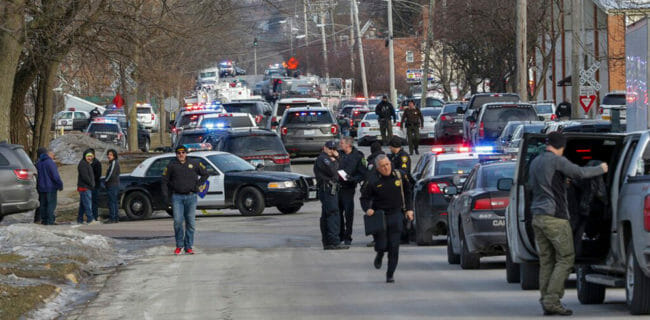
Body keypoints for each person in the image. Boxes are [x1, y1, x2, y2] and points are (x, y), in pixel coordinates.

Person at [528, 132, 608, 316]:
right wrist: (601, 169)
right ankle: (552, 300)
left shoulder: (535, 162)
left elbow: (535, 186)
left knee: (547, 260)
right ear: (560, 146)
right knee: (565, 258)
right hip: (555, 217)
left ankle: (546, 299)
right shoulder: (557, 161)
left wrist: (562, 183)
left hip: (537, 216)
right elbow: (579, 172)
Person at [360, 154, 414, 283]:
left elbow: (408, 193)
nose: (386, 168)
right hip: (380, 216)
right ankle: (380, 253)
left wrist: (409, 209)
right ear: (378, 168)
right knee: (382, 245)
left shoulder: (399, 176)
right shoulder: (372, 180)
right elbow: (364, 198)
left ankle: (390, 274)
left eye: (388, 164)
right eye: (383, 166)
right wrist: (368, 209)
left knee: (394, 247)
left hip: (396, 214)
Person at [162, 145, 209, 255]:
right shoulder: (171, 165)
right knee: (178, 222)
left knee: (191, 223)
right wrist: (165, 195)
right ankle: (179, 245)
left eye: (183, 152)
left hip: (191, 197)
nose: (181, 155)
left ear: (186, 153)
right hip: (177, 197)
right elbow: (164, 180)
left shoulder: (195, 163)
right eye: (179, 153)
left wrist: (198, 185)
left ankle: (188, 246)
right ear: (176, 154)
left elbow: (205, 174)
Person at [314, 140, 348, 250]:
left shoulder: (331, 158)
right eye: (330, 148)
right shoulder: (323, 159)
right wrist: (335, 161)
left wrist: (337, 159)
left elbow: (343, 167)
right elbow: (333, 171)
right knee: (333, 214)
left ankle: (328, 241)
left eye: (334, 149)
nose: (331, 151)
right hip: (327, 189)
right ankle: (333, 241)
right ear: (324, 147)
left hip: (331, 189)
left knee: (327, 214)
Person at [337, 137, 367, 245]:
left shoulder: (358, 156)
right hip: (337, 187)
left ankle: (347, 236)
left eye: (342, 143)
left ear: (348, 145)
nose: (339, 144)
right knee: (338, 213)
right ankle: (339, 235)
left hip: (348, 188)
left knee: (348, 213)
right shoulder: (338, 154)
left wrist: (353, 179)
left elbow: (363, 173)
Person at [36, 147, 63, 225]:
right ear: (49, 154)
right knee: (51, 205)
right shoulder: (50, 163)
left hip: (41, 188)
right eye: (53, 155)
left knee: (43, 205)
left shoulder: (38, 163)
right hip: (51, 188)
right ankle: (50, 221)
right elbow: (55, 176)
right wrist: (60, 184)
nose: (53, 156)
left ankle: (44, 220)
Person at [77, 150, 96, 224]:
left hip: (86, 187)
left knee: (83, 205)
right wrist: (91, 184)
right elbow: (85, 177)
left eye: (91, 156)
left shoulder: (87, 163)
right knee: (88, 204)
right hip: (84, 187)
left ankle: (80, 219)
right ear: (85, 156)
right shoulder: (83, 164)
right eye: (88, 156)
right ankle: (90, 219)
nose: (89, 158)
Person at [105, 149, 121, 223]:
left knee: (112, 202)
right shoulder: (111, 163)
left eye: (110, 155)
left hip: (112, 184)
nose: (109, 156)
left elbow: (111, 174)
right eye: (108, 154)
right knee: (114, 201)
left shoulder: (114, 162)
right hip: (113, 184)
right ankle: (115, 218)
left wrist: (106, 180)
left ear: (114, 155)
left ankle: (112, 218)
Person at [87, 148, 102, 222]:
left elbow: (98, 175)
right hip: (88, 186)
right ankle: (90, 217)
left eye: (90, 155)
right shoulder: (87, 162)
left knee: (94, 202)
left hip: (95, 186)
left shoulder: (97, 163)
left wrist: (90, 179)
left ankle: (95, 217)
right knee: (89, 202)